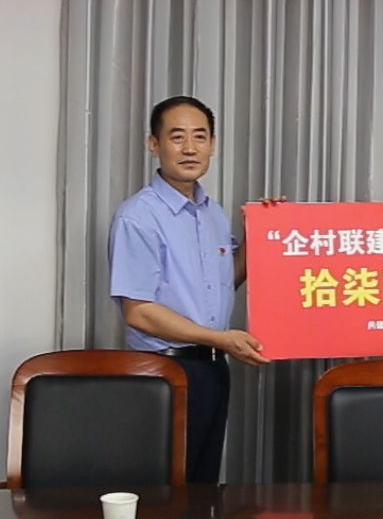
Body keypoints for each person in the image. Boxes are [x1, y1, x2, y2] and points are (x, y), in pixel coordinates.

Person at [109, 95, 270, 483]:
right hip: (164, 371)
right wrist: (220, 338)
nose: (189, 148)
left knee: (202, 485)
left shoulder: (212, 213)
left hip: (212, 368)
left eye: (200, 137)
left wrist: (266, 230)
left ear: (213, 145)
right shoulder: (138, 216)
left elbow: (223, 283)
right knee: (165, 490)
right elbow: (139, 311)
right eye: (176, 137)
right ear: (154, 144)